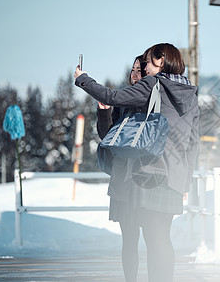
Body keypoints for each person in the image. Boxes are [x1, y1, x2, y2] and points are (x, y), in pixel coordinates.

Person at [74, 43, 199, 282]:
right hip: (172, 175)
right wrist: (185, 181)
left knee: (152, 241)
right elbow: (193, 144)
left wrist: (83, 79)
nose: (145, 67)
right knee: (161, 240)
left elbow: (112, 96)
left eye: (149, 61)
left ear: (162, 61)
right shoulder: (191, 94)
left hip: (147, 171)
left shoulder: (154, 84)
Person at [96, 55, 146, 282]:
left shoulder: (154, 99)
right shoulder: (121, 99)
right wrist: (105, 111)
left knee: (154, 237)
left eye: (140, 69)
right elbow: (107, 136)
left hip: (145, 177)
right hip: (123, 177)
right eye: (133, 69)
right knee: (129, 238)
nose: (135, 73)